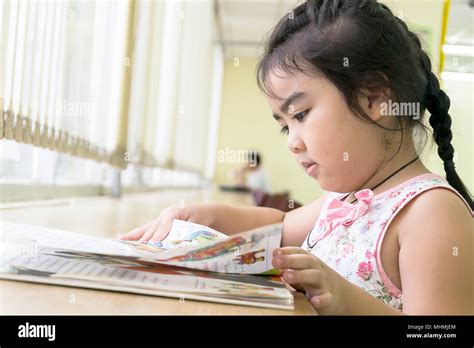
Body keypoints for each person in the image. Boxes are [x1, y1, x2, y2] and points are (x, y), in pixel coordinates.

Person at [119, 0, 473, 314]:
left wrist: (345, 300)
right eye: (285, 127)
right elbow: (279, 227)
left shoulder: (432, 212)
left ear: (375, 99)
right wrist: (203, 215)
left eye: (300, 115)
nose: (293, 143)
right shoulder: (343, 201)